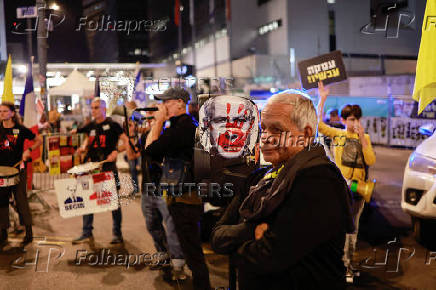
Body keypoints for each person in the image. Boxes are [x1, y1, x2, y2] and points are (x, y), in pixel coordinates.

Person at [210, 90, 354, 289]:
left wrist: (235, 246)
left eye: (277, 130)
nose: (266, 137)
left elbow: (268, 257)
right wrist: (253, 230)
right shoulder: (259, 178)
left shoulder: (319, 180)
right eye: (263, 128)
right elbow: (217, 236)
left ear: (306, 134)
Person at [143, 88, 211, 290]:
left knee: (193, 253)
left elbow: (150, 150)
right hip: (184, 198)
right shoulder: (184, 125)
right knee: (192, 250)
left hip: (185, 200)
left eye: (168, 102)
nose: (164, 106)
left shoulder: (183, 128)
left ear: (181, 103)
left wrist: (159, 121)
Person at [317, 81, 376, 279]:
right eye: (350, 119)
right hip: (342, 188)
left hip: (358, 189)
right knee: (340, 228)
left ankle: (348, 265)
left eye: (357, 119)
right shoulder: (338, 134)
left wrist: (363, 140)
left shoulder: (364, 136)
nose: (354, 123)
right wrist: (322, 98)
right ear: (343, 120)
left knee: (353, 230)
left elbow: (371, 160)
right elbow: (319, 125)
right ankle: (340, 267)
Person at [126, 101, 187, 281]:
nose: (150, 121)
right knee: (152, 224)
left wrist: (159, 124)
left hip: (164, 187)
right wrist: (127, 137)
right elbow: (132, 156)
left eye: (153, 118)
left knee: (171, 227)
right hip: (147, 187)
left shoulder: (168, 134)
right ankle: (163, 255)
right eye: (148, 119)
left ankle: (178, 265)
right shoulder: (146, 135)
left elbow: (158, 152)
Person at [72, 98, 128, 244]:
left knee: (113, 202)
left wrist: (116, 151)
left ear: (103, 109)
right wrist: (83, 148)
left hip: (108, 168)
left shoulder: (113, 125)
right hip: (91, 168)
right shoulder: (90, 126)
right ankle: (86, 231)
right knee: (87, 199)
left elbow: (126, 141)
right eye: (92, 108)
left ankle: (117, 234)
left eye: (96, 107)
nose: (94, 110)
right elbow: (88, 139)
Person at [0, 102, 42, 248]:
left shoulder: (20, 129)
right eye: (0, 111)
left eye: (5, 111)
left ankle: (29, 232)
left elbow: (38, 140)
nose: (2, 114)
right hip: (1, 173)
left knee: (21, 200)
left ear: (12, 113)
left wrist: (28, 150)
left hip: (18, 170)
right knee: (2, 201)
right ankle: (3, 231)